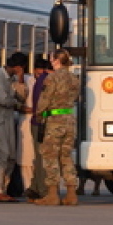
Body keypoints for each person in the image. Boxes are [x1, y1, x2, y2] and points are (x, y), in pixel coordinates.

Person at [34, 49, 80, 206]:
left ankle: (52, 194)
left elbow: (44, 100)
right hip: (69, 119)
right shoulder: (74, 78)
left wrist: (39, 115)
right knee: (66, 156)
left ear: (56, 60)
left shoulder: (51, 78)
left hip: (54, 119)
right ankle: (71, 194)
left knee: (50, 156)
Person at [0, 52, 28, 202]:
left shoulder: (14, 79)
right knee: (1, 153)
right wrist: (18, 106)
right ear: (18, 66)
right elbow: (4, 99)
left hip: (8, 119)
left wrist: (21, 80)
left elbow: (22, 96)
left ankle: (4, 188)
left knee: (11, 156)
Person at [24, 57, 52, 202]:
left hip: (38, 121)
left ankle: (35, 188)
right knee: (43, 158)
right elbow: (42, 106)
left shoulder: (41, 80)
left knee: (39, 156)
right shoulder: (46, 80)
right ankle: (42, 190)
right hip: (43, 122)